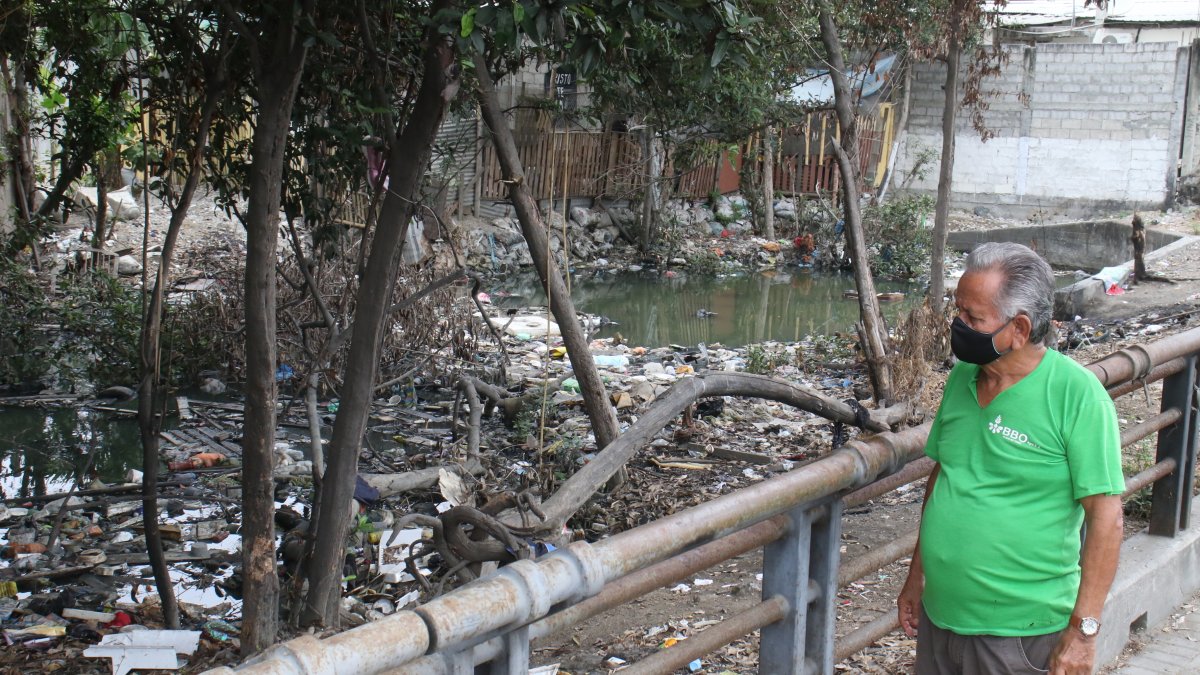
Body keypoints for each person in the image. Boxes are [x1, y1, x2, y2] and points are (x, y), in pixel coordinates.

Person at [897, 242, 1125, 675]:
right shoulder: (963, 377)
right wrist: (917, 576)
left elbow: (1107, 519)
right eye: (958, 310)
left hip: (1021, 633)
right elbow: (944, 478)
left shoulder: (1076, 396)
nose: (957, 325)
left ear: (1019, 328)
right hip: (941, 617)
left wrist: (1083, 633)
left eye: (973, 318)